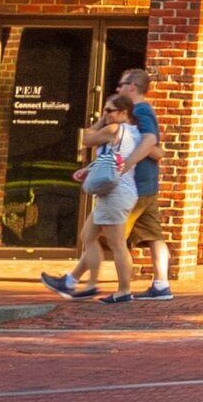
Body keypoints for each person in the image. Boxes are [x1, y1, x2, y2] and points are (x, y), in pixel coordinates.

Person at [44, 95, 139, 302]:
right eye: (105, 111)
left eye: (109, 110)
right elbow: (112, 159)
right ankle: (84, 283)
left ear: (124, 113)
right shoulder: (133, 133)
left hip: (115, 193)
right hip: (114, 192)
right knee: (87, 236)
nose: (106, 114)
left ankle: (123, 291)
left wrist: (99, 121)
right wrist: (88, 168)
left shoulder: (115, 129)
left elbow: (87, 139)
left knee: (117, 244)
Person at [115, 66, 176, 300]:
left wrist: (128, 163)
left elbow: (149, 140)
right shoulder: (141, 111)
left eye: (121, 85)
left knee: (112, 235)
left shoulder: (139, 111)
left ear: (132, 87)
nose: (118, 88)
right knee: (154, 235)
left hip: (136, 186)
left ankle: (118, 289)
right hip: (147, 185)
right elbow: (153, 147)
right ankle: (161, 284)